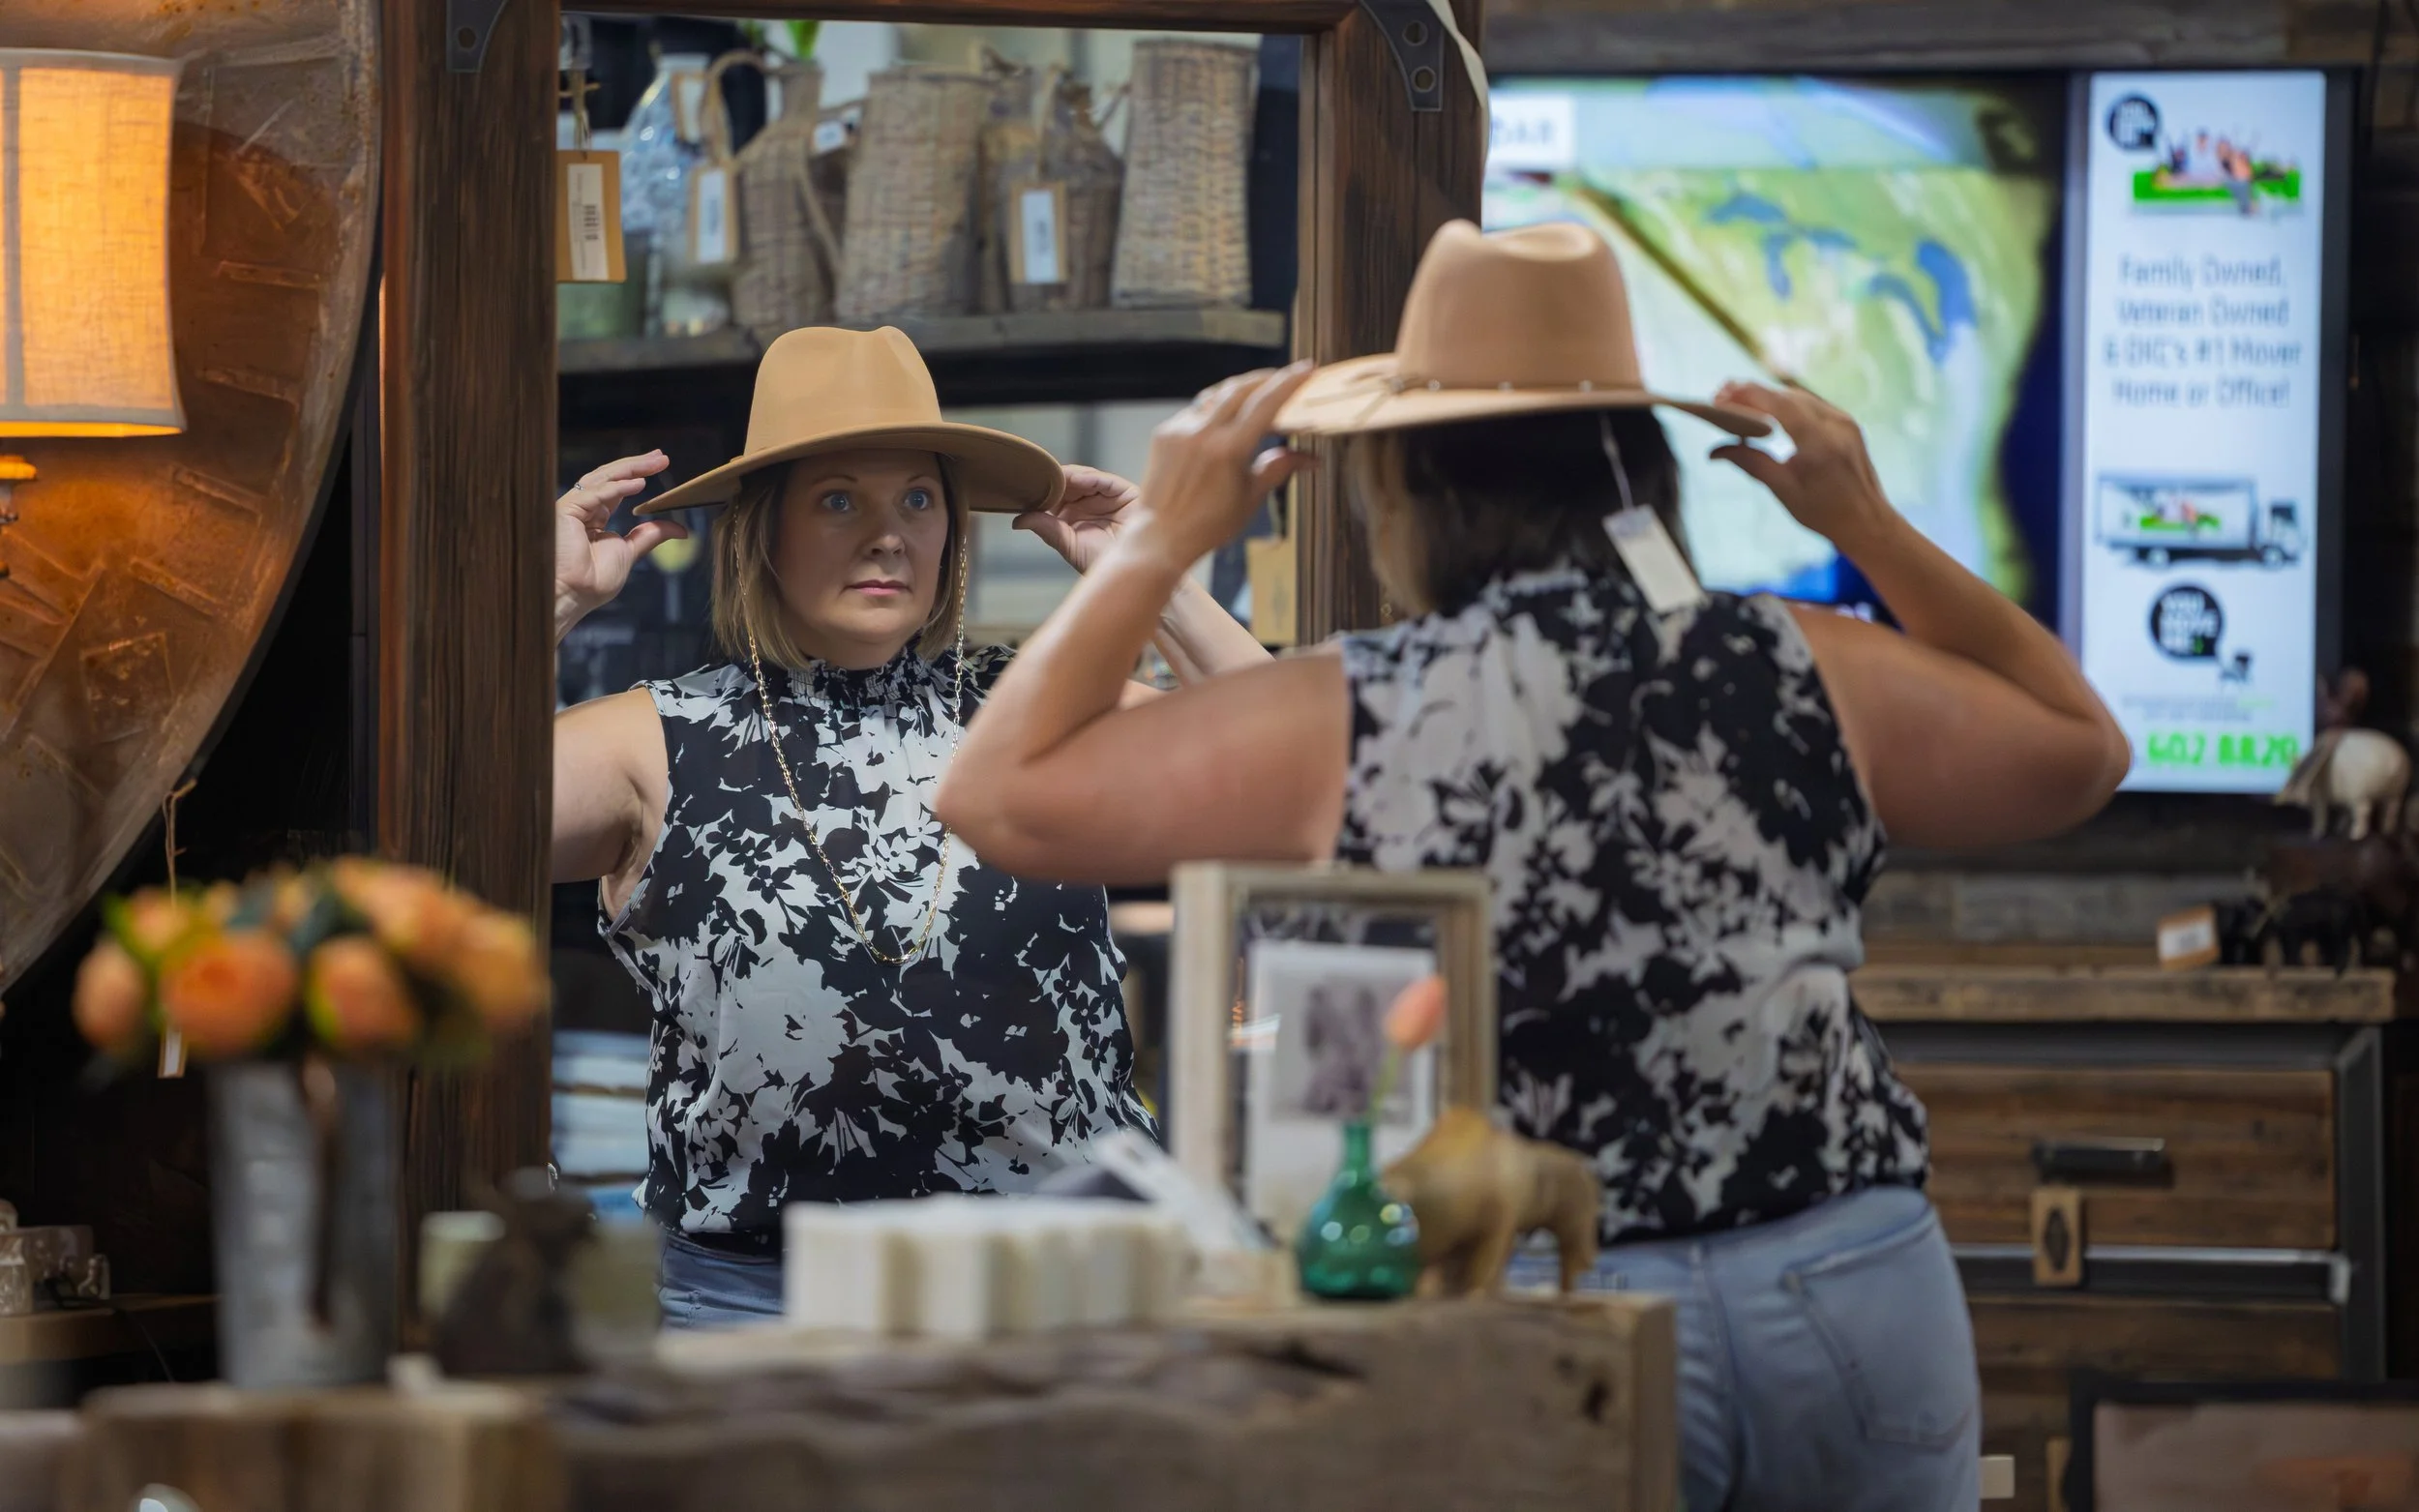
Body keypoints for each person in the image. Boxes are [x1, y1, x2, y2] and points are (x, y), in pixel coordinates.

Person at [935, 222, 2130, 1509]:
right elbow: (2080, 746)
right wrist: (1870, 522)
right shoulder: (1802, 657)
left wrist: (1166, 539)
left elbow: (997, 792)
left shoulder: (1368, 705)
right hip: (1850, 1266)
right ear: (1643, 465)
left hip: (1563, 1296)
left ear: (1403, 493)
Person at [551, 326, 1271, 1328]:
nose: (886, 534)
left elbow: (1291, 772)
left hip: (1065, 1300)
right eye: (839, 498)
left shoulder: (1042, 708)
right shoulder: (659, 738)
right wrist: (547, 604)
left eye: (918, 500)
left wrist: (1150, 575)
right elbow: (445, 826)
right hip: (756, 1316)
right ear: (764, 529)